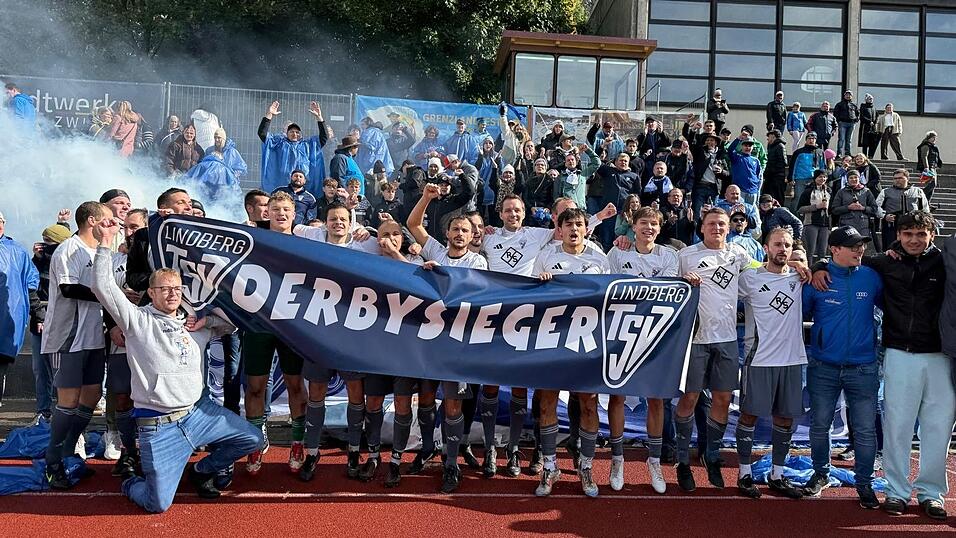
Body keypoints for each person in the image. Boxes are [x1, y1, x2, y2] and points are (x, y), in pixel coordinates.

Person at [89, 218, 262, 513]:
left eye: (177, 288)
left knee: (252, 438)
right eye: (164, 288)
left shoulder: (194, 323)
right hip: (160, 426)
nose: (172, 293)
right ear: (151, 293)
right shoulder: (137, 321)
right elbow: (102, 286)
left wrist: (209, 320)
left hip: (198, 414)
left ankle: (201, 471)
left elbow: (233, 324)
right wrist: (105, 243)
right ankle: (130, 481)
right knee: (157, 505)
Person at [406, 183, 488, 493]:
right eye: (455, 228)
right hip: (426, 341)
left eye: (464, 230)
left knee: (453, 405)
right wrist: (426, 197)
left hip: (457, 346)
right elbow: (414, 225)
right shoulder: (436, 251)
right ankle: (427, 449)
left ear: (471, 236)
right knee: (425, 400)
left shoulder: (478, 263)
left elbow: (472, 296)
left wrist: (440, 276)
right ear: (448, 232)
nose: (459, 234)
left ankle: (450, 464)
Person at [675, 208, 760, 493]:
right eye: (711, 223)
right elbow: (668, 288)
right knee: (689, 398)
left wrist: (797, 266)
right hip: (695, 339)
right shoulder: (686, 255)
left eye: (722, 224)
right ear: (702, 228)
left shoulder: (738, 254)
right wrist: (683, 281)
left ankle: (711, 456)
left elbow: (763, 271)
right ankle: (683, 461)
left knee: (722, 398)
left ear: (729, 228)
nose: (717, 228)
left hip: (726, 339)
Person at [801, 226, 883, 510]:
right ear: (834, 249)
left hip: (863, 366)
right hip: (824, 365)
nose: (860, 249)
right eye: (852, 246)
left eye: (861, 244)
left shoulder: (872, 277)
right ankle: (820, 474)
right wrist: (815, 267)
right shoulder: (817, 280)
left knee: (864, 430)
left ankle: (865, 484)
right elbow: (799, 313)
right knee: (820, 425)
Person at [532, 207, 611, 498]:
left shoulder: (599, 259)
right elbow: (530, 296)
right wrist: (540, 283)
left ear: (586, 228)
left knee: (589, 404)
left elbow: (611, 300)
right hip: (553, 339)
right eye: (569, 224)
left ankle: (586, 466)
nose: (574, 229)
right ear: (560, 229)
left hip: (588, 341)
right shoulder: (548, 256)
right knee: (547, 402)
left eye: (579, 224)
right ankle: (550, 466)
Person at [607, 206, 679, 494]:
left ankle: (654, 461)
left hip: (655, 336)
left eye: (654, 224)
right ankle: (616, 459)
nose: (648, 227)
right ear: (632, 226)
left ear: (659, 229)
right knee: (617, 396)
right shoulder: (617, 253)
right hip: (621, 334)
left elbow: (669, 292)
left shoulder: (669, 256)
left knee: (656, 400)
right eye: (643, 223)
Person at [734, 228, 807, 500]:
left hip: (791, 359)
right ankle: (743, 474)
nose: (783, 249)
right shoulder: (750, 278)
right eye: (777, 244)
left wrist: (812, 265)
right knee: (750, 415)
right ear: (766, 247)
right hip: (760, 358)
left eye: (787, 245)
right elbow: (724, 294)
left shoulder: (799, 277)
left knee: (785, 418)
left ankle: (777, 475)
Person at [42, 202, 111, 488]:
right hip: (69, 335)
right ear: (91, 220)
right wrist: (107, 294)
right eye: (106, 221)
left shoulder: (100, 252)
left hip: (94, 336)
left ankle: (70, 450)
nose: (111, 226)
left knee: (92, 396)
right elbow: (67, 289)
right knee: (67, 401)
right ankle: (53, 460)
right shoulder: (69, 249)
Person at [30, 217, 71, 423]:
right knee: (40, 369)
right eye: (42, 241)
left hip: (61, 323)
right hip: (40, 321)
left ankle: (62, 410)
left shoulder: (67, 260)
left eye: (48, 242)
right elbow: (32, 291)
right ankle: (43, 411)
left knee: (59, 370)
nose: (43, 246)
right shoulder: (37, 263)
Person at [0, 210, 40, 406]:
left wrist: (38, 313)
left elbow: (30, 283)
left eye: (0, 221)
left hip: (6, 320)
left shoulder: (16, 251)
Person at [258, 100, 329, 194]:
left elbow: (324, 137)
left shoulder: (308, 145)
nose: (295, 134)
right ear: (286, 134)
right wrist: (269, 115)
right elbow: (262, 134)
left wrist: (319, 118)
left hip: (304, 187)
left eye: (297, 132)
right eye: (291, 132)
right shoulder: (278, 143)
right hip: (282, 186)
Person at [875, 169, 929, 247]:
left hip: (912, 223)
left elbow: (925, 208)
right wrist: (884, 216)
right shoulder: (885, 191)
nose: (897, 180)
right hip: (892, 225)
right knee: (891, 247)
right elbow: (876, 207)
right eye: (895, 178)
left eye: (900, 178)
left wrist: (923, 220)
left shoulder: (918, 191)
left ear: (907, 178)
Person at [830, 170, 879, 249]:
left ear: (859, 178)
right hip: (846, 226)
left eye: (856, 177)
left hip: (863, 226)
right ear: (847, 180)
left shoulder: (866, 191)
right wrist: (848, 207)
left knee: (862, 249)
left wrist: (863, 208)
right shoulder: (841, 192)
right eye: (851, 178)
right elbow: (834, 209)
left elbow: (874, 208)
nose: (853, 179)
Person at [689, 132, 730, 219]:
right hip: (700, 186)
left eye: (712, 140)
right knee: (698, 213)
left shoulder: (720, 156)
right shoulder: (700, 152)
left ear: (716, 143)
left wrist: (721, 171)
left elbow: (728, 174)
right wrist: (693, 129)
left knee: (713, 213)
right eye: (707, 140)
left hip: (714, 188)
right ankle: (698, 231)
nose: (709, 142)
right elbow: (691, 141)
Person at [797, 170, 832, 263]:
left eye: (824, 177)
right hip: (811, 223)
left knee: (823, 251)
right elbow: (800, 209)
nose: (822, 179)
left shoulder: (828, 191)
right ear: (815, 178)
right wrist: (816, 207)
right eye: (820, 177)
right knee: (810, 251)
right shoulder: (808, 191)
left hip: (825, 224)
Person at [787, 132, 825, 212]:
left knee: (813, 198)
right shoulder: (798, 152)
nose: (811, 140)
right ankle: (794, 215)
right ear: (806, 140)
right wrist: (791, 178)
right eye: (809, 139)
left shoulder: (820, 152)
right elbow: (793, 165)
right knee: (798, 197)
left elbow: (822, 166)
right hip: (800, 178)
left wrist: (823, 177)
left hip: (814, 179)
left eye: (813, 139)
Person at [727, 137, 762, 206]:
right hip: (740, 191)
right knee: (739, 211)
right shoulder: (737, 157)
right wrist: (738, 139)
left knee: (751, 212)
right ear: (741, 146)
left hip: (753, 191)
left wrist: (757, 189)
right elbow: (730, 150)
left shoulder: (756, 160)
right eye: (745, 145)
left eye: (750, 146)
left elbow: (758, 175)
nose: (747, 147)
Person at [915, 131, 943, 201]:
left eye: (935, 138)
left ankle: (927, 203)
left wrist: (938, 164)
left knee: (932, 186)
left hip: (933, 167)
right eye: (933, 137)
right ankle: (920, 195)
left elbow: (936, 157)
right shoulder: (925, 146)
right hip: (928, 167)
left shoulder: (933, 147)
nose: (934, 139)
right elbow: (924, 156)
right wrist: (926, 167)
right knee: (932, 184)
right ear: (928, 138)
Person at [763, 130, 788, 205]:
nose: (767, 138)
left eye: (769, 136)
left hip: (777, 177)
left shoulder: (780, 146)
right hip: (771, 176)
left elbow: (783, 162)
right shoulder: (772, 146)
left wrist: (772, 170)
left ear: (773, 136)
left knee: (778, 196)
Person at [833, 90, 859, 158]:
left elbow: (858, 113)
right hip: (842, 123)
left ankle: (847, 153)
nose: (848, 96)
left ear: (851, 96)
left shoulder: (854, 105)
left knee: (849, 139)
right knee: (841, 139)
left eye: (849, 95)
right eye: (847, 94)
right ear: (844, 96)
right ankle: (839, 153)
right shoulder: (839, 104)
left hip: (851, 124)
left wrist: (856, 120)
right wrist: (839, 121)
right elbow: (835, 113)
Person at [858, 94, 879, 159]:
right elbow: (861, 116)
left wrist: (875, 122)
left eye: (871, 99)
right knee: (865, 143)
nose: (870, 100)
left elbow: (877, 116)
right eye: (869, 99)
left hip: (873, 128)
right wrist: (869, 122)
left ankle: (870, 156)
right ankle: (864, 156)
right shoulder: (863, 107)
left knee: (872, 142)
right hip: (865, 127)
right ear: (866, 100)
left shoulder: (874, 108)